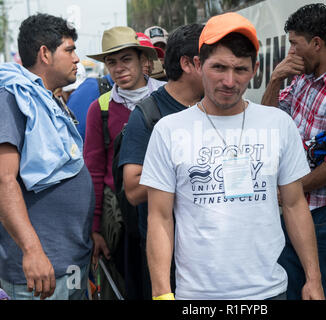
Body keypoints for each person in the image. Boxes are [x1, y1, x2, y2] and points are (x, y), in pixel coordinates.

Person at [140, 12, 324, 300]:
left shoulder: (277, 124)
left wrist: (313, 278)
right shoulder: (169, 130)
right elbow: (160, 218)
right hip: (198, 297)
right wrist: (161, 292)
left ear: (255, 69)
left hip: (269, 292)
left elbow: (294, 203)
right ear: (198, 65)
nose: (229, 81)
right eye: (219, 67)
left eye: (240, 70)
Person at [261, 4, 326, 300]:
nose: (290, 52)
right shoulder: (301, 79)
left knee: (325, 293)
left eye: (295, 43)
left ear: (316, 44)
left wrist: (291, 189)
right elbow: (268, 124)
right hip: (295, 212)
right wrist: (275, 79)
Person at [0, 13, 94, 300]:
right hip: (38, 272)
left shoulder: (48, 99)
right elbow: (4, 181)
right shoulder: (13, 97)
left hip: (71, 262)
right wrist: (32, 251)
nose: (77, 58)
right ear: (45, 54)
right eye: (69, 49)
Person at [118, 23, 204, 300]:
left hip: (210, 252)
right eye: (216, 62)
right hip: (167, 257)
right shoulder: (149, 114)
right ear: (191, 64)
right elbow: (131, 190)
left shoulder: (215, 107)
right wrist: (183, 171)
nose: (226, 75)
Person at [84, 26, 165, 299]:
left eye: (126, 59)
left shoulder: (167, 98)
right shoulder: (101, 108)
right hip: (121, 218)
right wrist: (95, 228)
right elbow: (94, 171)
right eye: (111, 62)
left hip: (168, 208)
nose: (119, 68)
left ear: (144, 61)